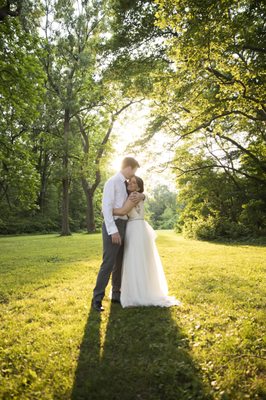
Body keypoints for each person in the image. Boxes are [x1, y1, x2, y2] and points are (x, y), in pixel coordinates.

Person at [113, 176, 181, 308]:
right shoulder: (138, 195)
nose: (131, 184)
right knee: (141, 259)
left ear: (138, 187)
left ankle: (137, 292)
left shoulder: (133, 196)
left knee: (134, 259)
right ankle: (142, 288)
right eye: (130, 182)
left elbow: (124, 211)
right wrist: (143, 195)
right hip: (139, 227)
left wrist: (108, 210)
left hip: (134, 228)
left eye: (134, 183)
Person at [92, 157, 144, 312]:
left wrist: (142, 195)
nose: (134, 174)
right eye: (134, 170)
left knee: (119, 263)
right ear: (129, 167)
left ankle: (116, 293)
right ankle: (96, 299)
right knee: (108, 263)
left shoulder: (125, 184)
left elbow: (136, 197)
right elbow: (106, 208)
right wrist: (113, 230)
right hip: (114, 226)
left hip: (124, 225)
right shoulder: (113, 182)